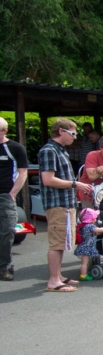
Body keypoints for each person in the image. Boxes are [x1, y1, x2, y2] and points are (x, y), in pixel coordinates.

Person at [38, 118, 94, 292]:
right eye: (72, 133)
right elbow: (48, 180)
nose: (75, 137)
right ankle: (53, 281)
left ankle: (58, 275)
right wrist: (75, 184)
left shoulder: (60, 150)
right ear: (61, 131)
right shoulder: (49, 150)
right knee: (57, 242)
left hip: (65, 203)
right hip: (57, 203)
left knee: (62, 241)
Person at [0, 117, 28, 281]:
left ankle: (4, 266)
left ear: (5, 131)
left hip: (5, 195)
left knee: (8, 231)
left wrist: (12, 194)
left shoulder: (15, 148)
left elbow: (23, 172)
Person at [73, 207, 103, 281]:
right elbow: (97, 230)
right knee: (84, 263)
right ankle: (83, 275)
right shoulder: (90, 226)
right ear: (91, 219)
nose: (96, 219)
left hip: (84, 245)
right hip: (87, 247)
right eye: (95, 218)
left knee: (85, 262)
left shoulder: (83, 226)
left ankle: (83, 274)